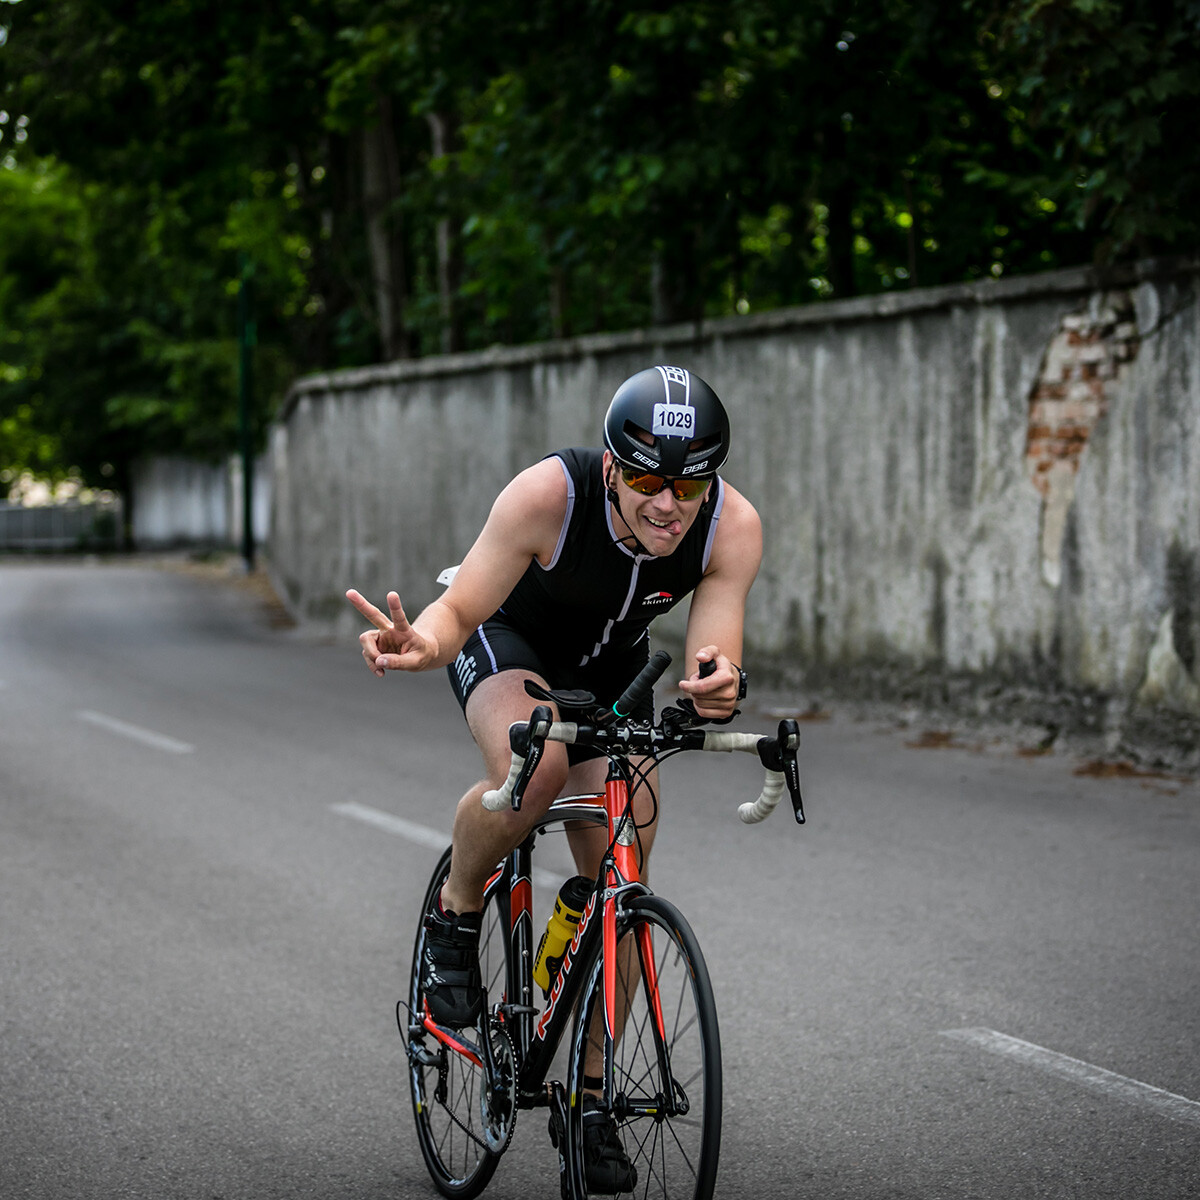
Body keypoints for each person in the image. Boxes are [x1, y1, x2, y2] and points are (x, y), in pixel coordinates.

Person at [347, 365, 761, 1191]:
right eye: (646, 479)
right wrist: (422, 645)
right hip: (508, 642)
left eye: (689, 483)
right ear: (611, 466)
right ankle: (458, 914)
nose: (667, 504)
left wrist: (720, 684)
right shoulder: (548, 497)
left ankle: (594, 1097)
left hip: (612, 669)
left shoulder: (732, 525)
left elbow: (717, 654)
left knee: (627, 843)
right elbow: (458, 610)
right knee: (535, 772)